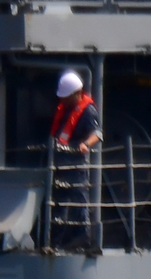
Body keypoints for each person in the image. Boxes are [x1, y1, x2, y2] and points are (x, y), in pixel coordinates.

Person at [50, 70, 102, 250]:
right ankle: (56, 239)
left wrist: (86, 144)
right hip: (61, 164)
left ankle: (83, 238)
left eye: (66, 97)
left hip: (76, 164)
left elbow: (97, 134)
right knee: (60, 203)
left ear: (77, 93)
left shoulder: (88, 111)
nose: (63, 101)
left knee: (79, 200)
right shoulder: (65, 109)